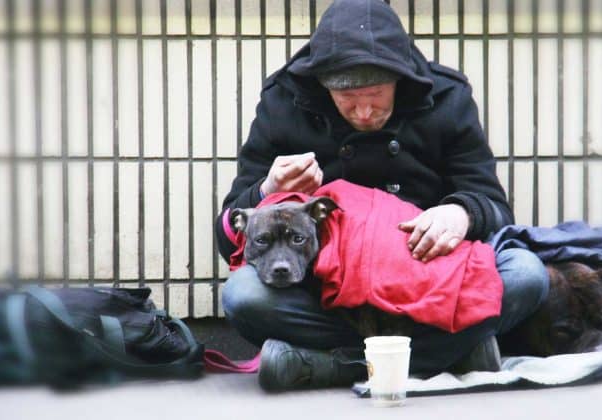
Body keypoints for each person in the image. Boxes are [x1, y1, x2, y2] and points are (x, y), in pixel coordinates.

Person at [214, 0, 549, 391]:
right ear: (322, 86)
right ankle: (449, 353)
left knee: (527, 274)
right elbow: (230, 237)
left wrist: (460, 213)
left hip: (425, 279)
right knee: (243, 295)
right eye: (347, 99)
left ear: (400, 79)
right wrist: (268, 189)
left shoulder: (447, 96)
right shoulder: (284, 101)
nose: (364, 112)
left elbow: (493, 206)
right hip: (328, 292)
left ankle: (328, 366)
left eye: (376, 95)